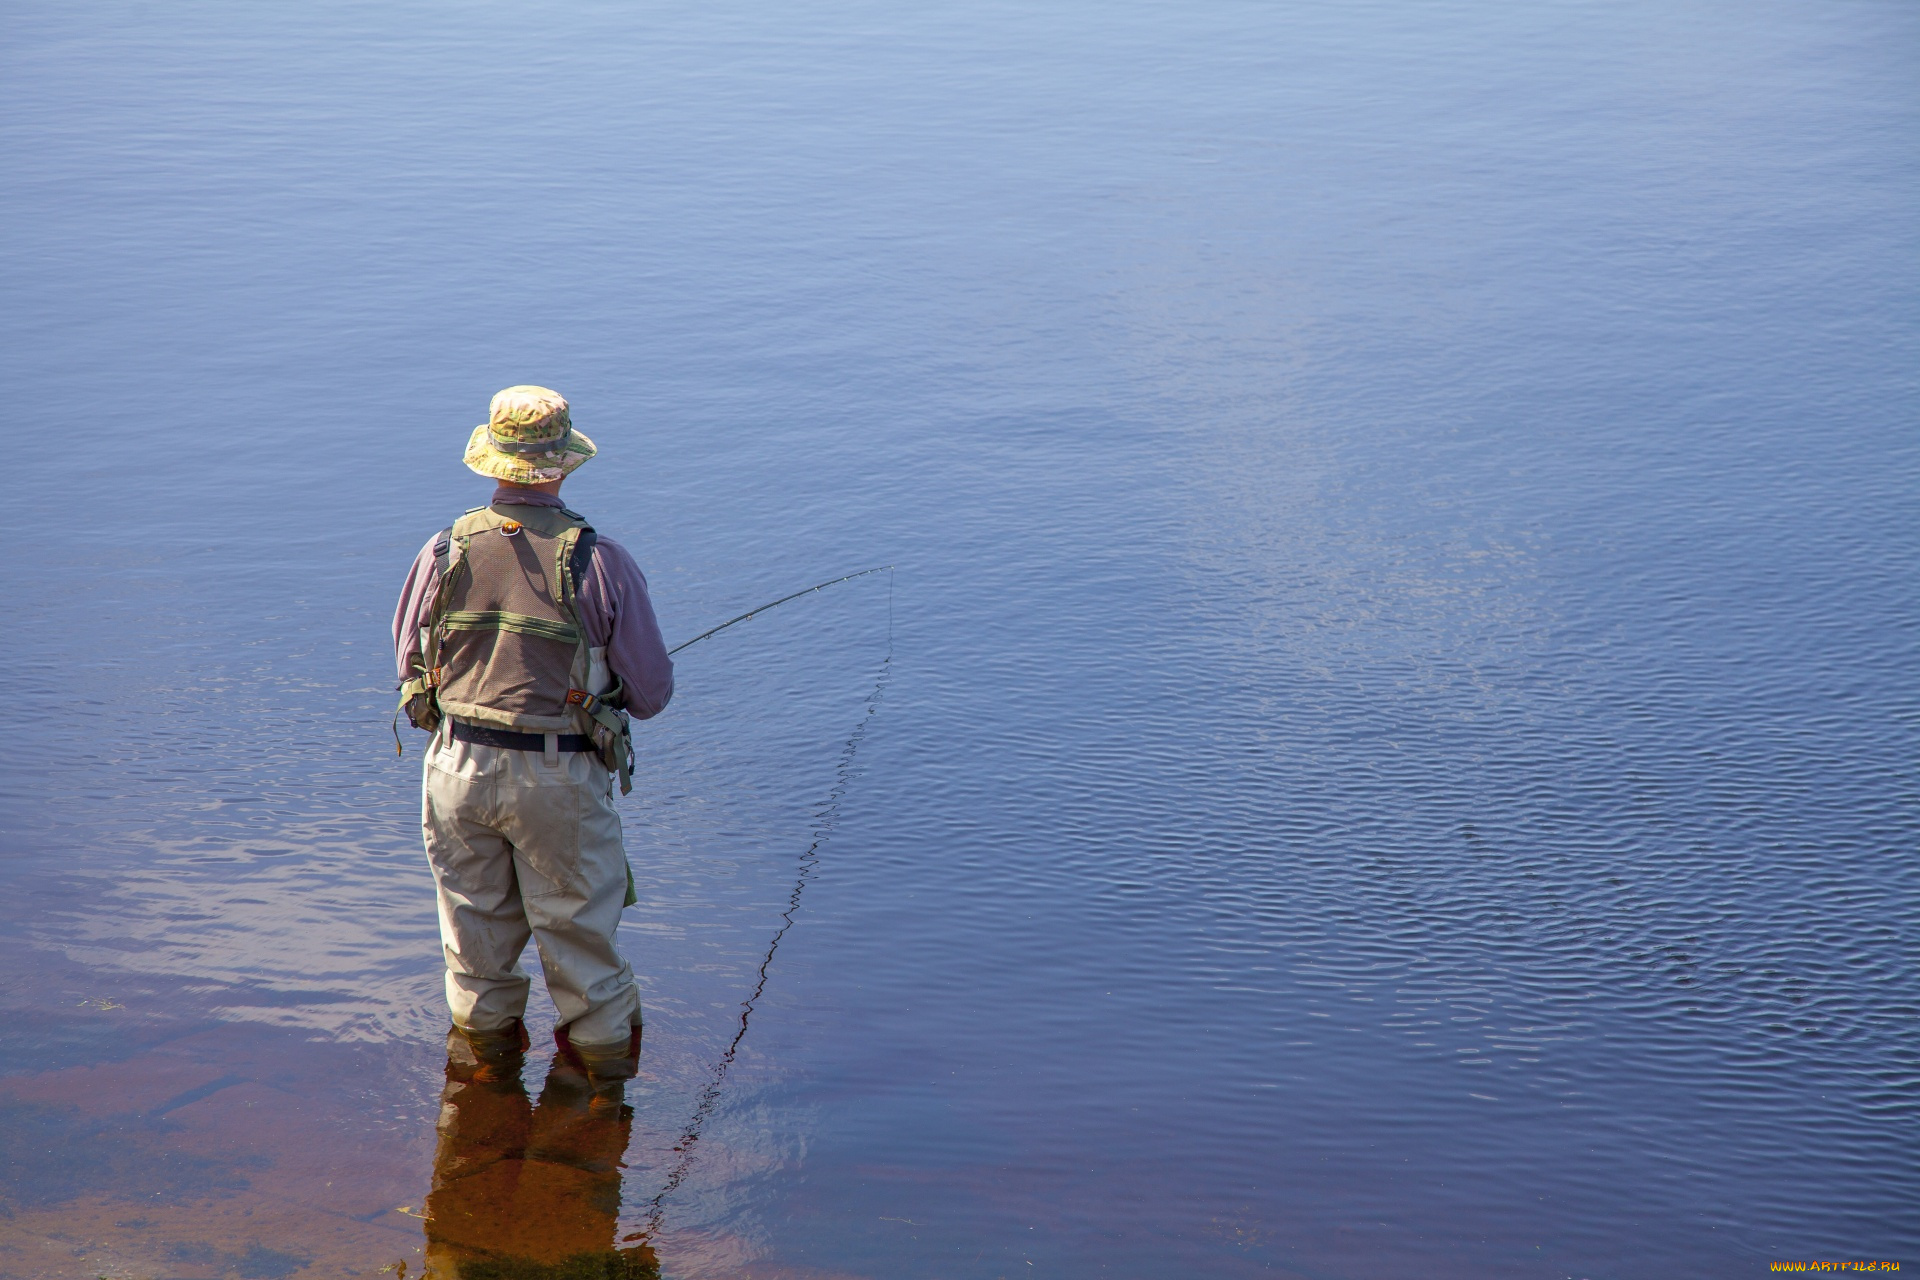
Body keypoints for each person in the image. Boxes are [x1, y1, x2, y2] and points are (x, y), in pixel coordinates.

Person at [393, 385, 673, 1084]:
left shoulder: (442, 549)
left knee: (474, 954)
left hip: (455, 766)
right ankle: (602, 1111)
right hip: (557, 778)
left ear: (493, 462)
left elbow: (409, 664)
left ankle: (480, 1098)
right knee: (584, 960)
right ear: (564, 464)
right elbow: (652, 695)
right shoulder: (599, 561)